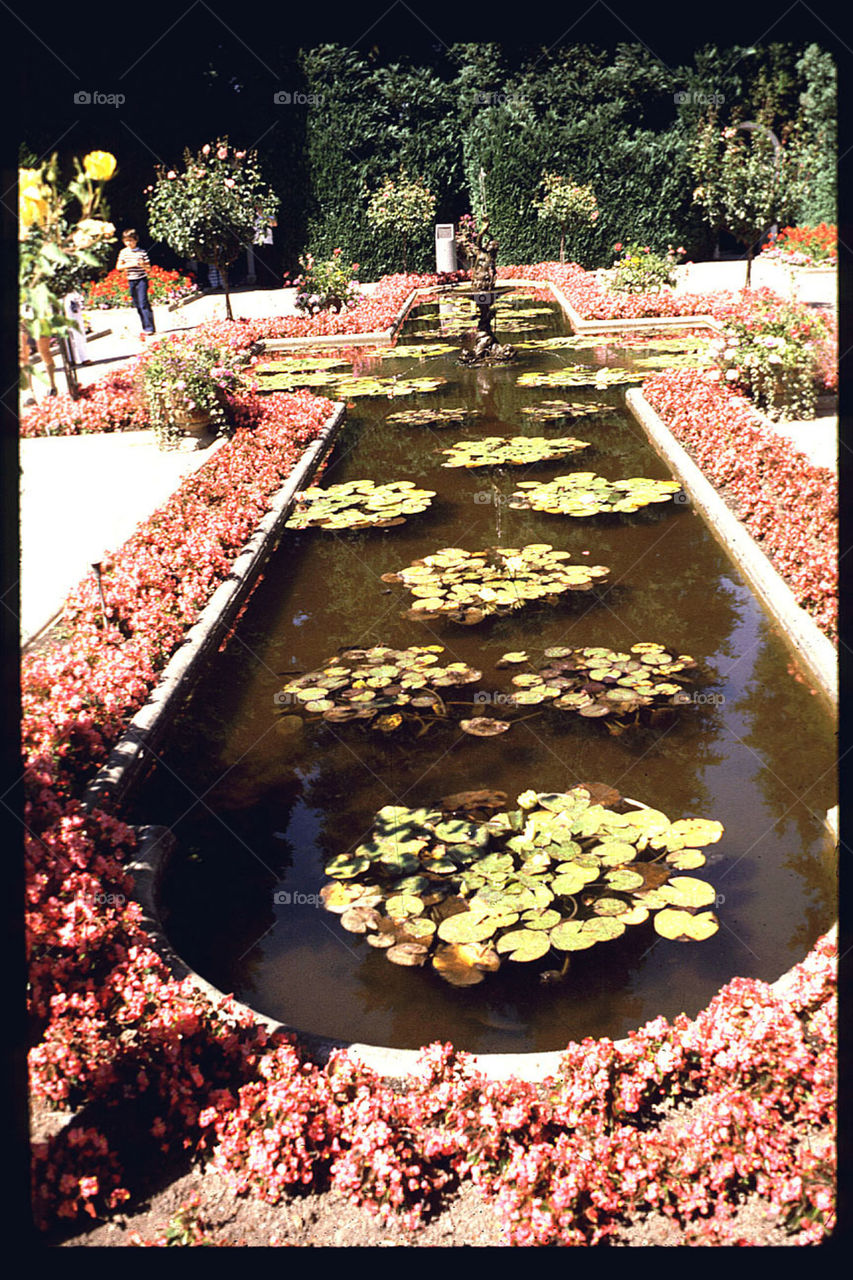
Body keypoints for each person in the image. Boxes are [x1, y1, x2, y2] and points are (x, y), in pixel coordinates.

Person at [116, 228, 155, 338]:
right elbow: (119, 267)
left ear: (136, 240)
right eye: (126, 241)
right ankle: (145, 326)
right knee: (137, 305)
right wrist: (131, 264)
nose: (129, 243)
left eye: (131, 240)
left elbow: (149, 268)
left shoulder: (142, 252)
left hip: (141, 280)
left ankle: (149, 327)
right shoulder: (123, 253)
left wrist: (142, 264)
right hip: (131, 280)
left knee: (143, 303)